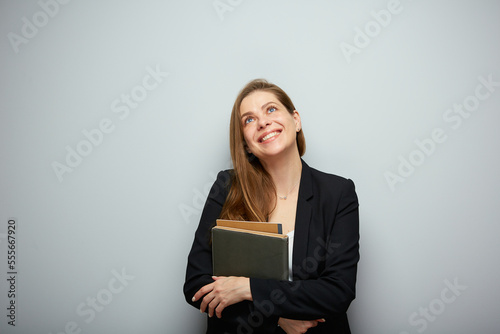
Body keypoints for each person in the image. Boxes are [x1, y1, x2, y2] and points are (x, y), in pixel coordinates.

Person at [183, 79, 360, 334]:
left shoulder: (337, 193)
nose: (263, 122)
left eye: (271, 109)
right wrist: (274, 319)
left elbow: (337, 291)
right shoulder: (227, 187)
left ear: (295, 120)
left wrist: (248, 288)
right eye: (249, 120)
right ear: (245, 141)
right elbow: (197, 286)